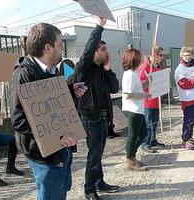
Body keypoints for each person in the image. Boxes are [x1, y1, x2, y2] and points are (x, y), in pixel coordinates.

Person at [9, 23, 87, 200]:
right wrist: (54, 137)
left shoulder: (50, 70)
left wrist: (69, 90)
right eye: (60, 44)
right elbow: (19, 120)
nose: (62, 49)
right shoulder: (23, 75)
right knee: (51, 195)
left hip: (61, 147)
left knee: (60, 191)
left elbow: (48, 101)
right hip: (43, 153)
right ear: (48, 48)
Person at [74, 17, 119, 200]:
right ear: (94, 52)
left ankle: (99, 181)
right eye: (103, 49)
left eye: (106, 49)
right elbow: (88, 49)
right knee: (94, 155)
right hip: (90, 118)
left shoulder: (102, 69)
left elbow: (115, 88)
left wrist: (109, 69)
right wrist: (99, 26)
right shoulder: (85, 67)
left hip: (103, 118)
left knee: (99, 153)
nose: (106, 52)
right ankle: (89, 189)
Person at [122, 48, 150, 171]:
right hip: (132, 109)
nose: (141, 60)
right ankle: (130, 158)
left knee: (143, 133)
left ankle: (131, 153)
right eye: (139, 58)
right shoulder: (129, 74)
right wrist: (145, 95)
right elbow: (128, 94)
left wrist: (146, 84)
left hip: (138, 109)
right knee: (134, 135)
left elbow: (136, 88)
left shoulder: (134, 74)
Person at [174, 47, 194, 150]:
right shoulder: (180, 69)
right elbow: (183, 84)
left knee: (193, 119)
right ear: (181, 56)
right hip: (187, 98)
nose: (187, 57)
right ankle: (185, 140)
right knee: (188, 120)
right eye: (185, 55)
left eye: (189, 55)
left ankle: (190, 137)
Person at [138, 46, 165, 154]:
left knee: (154, 121)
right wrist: (149, 81)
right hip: (147, 100)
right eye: (160, 55)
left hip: (155, 99)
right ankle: (145, 142)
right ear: (154, 55)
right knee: (147, 123)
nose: (161, 58)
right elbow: (140, 84)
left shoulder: (157, 66)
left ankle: (152, 140)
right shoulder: (145, 66)